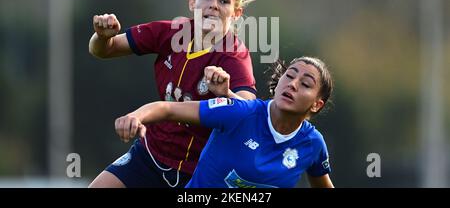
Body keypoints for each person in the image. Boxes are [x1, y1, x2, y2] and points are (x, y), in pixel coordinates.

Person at [88, 0, 263, 188]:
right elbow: (103, 50)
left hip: (199, 174)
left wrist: (227, 92)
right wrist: (101, 35)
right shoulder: (167, 32)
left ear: (237, 13)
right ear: (192, 1)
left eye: (224, 0)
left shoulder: (234, 55)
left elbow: (248, 111)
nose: (213, 5)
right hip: (149, 156)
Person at [115, 57, 335, 188]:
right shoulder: (239, 112)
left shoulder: (312, 144)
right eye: (289, 76)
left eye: (305, 84)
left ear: (317, 104)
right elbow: (168, 109)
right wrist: (135, 116)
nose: (293, 84)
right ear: (278, 84)